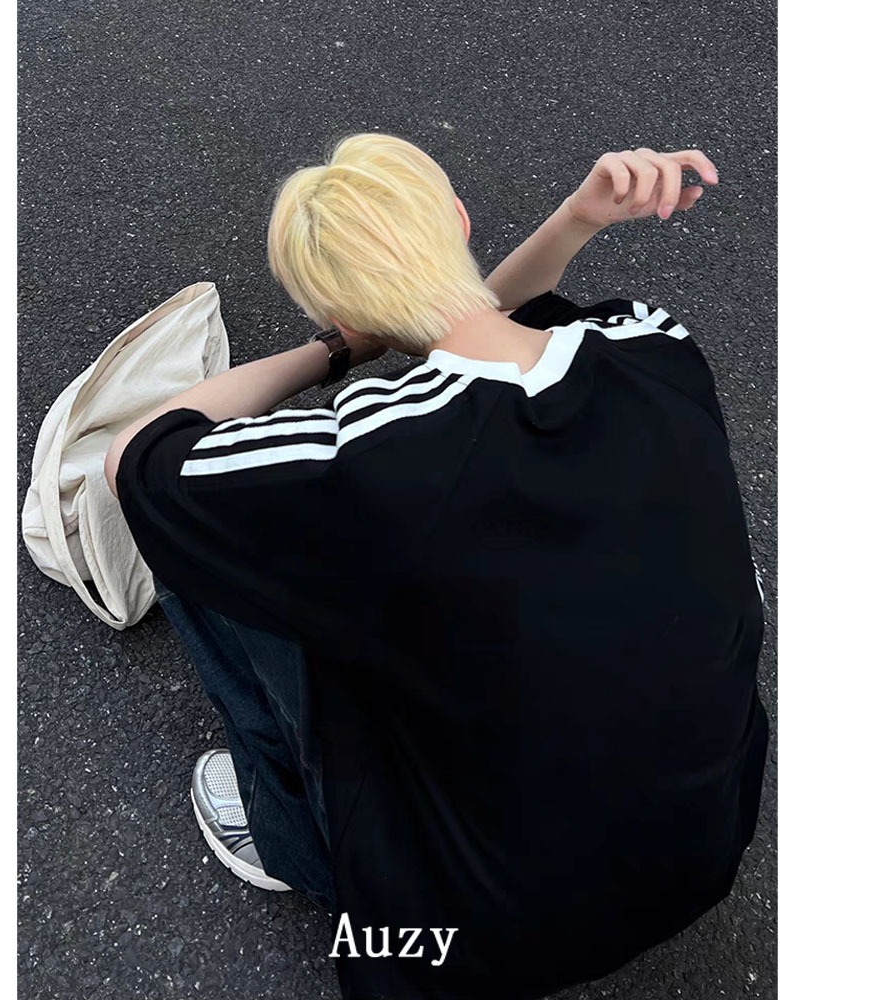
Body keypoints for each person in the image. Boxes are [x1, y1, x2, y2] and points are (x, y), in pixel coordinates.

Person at [104, 133, 769, 1000]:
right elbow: (497, 319)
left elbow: (138, 457)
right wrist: (576, 219)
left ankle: (289, 838)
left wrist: (337, 350)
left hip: (464, 940)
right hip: (703, 849)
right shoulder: (653, 346)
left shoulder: (366, 459)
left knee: (204, 533)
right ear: (458, 218)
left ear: (332, 303)